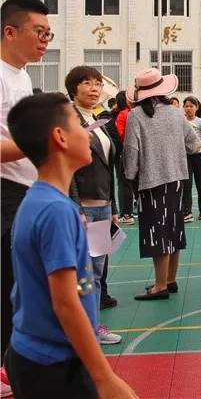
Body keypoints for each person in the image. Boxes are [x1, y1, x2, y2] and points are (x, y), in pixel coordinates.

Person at [4, 93, 137, 399]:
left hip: (35, 354)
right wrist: (104, 378)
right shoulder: (55, 211)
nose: (88, 132)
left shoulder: (39, 201)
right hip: (52, 363)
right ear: (60, 138)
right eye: (80, 125)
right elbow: (65, 302)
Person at [0, 0, 50, 384]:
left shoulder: (23, 76)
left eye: (48, 33)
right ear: (10, 31)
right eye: (40, 31)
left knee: (21, 286)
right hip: (4, 194)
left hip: (25, 191)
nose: (45, 40)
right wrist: (45, 142)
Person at [124, 68, 198, 300]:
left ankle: (159, 285)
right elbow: (193, 143)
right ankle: (170, 280)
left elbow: (131, 151)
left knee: (158, 234)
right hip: (177, 179)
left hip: (152, 181)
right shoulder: (176, 113)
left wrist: (129, 174)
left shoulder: (136, 115)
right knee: (174, 231)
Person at [64, 66, 122, 344]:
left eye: (97, 83)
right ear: (73, 88)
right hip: (82, 207)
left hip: (101, 206)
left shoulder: (99, 120)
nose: (94, 88)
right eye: (86, 83)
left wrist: (111, 207)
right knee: (81, 271)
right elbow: (68, 169)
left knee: (96, 271)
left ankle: (93, 327)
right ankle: (80, 331)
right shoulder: (68, 121)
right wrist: (76, 208)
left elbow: (107, 168)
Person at [111, 91, 135, 226]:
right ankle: (131, 211)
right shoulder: (133, 113)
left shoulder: (123, 114)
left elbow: (121, 135)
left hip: (125, 153)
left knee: (124, 183)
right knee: (131, 183)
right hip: (135, 152)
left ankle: (126, 213)